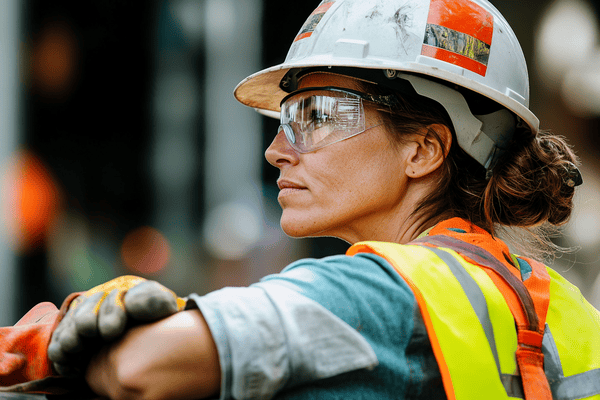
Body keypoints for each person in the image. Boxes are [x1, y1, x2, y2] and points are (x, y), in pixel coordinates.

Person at [1, 0, 599, 399]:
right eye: (286, 118)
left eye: (315, 116)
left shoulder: (382, 289)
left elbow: (140, 369)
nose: (277, 151)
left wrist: (66, 343)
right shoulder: (569, 314)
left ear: (424, 149)